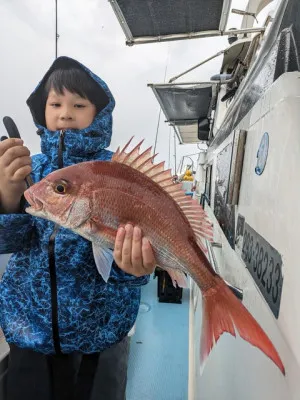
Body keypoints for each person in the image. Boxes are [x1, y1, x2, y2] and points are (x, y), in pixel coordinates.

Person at [0, 56, 156, 400]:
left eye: (78, 104)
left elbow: (132, 254)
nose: (65, 113)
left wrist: (133, 270)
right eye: (55, 103)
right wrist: (7, 199)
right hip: (29, 333)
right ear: (42, 111)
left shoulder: (117, 172)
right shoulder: (31, 170)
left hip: (99, 340)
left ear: (98, 114)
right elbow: (9, 242)